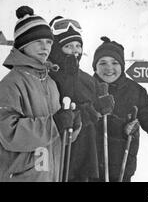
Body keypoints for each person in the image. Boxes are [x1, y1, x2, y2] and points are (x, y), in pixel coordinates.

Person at [0, 6, 81, 182]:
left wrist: (71, 127)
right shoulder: (10, 84)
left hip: (51, 175)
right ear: (23, 44)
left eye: (49, 42)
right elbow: (8, 134)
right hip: (22, 177)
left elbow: (56, 136)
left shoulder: (50, 83)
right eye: (38, 41)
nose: (45, 47)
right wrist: (55, 124)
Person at [92, 36, 148, 182]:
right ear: (95, 66)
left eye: (115, 62)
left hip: (122, 170)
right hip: (88, 170)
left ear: (122, 65)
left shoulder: (135, 91)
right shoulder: (85, 87)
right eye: (102, 62)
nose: (108, 68)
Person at [48, 17, 114, 182]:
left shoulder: (87, 79)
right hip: (59, 153)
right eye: (68, 46)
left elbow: (93, 113)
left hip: (86, 153)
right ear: (56, 49)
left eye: (78, 45)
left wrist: (100, 107)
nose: (75, 51)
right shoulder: (48, 77)